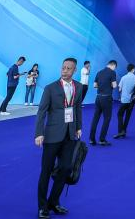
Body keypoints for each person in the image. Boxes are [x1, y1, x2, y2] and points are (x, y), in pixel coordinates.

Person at [33, 57, 82, 218]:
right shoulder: (50, 88)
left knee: (66, 168)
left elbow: (77, 108)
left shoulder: (78, 87)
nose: (65, 71)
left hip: (70, 135)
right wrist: (39, 133)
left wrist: (78, 127)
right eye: (63, 67)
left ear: (74, 70)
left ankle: (53, 202)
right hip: (52, 135)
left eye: (69, 68)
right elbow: (41, 111)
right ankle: (42, 207)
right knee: (46, 171)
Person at [89, 59, 117, 146]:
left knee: (95, 118)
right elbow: (114, 85)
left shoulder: (99, 72)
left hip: (98, 97)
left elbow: (94, 85)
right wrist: (109, 85)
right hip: (107, 98)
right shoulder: (112, 72)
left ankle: (91, 139)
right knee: (107, 119)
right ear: (113, 65)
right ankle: (102, 139)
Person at [115, 63, 135, 139]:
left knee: (120, 115)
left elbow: (119, 89)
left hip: (124, 99)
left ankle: (120, 131)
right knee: (128, 116)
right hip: (132, 100)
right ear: (133, 69)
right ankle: (124, 130)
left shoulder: (123, 77)